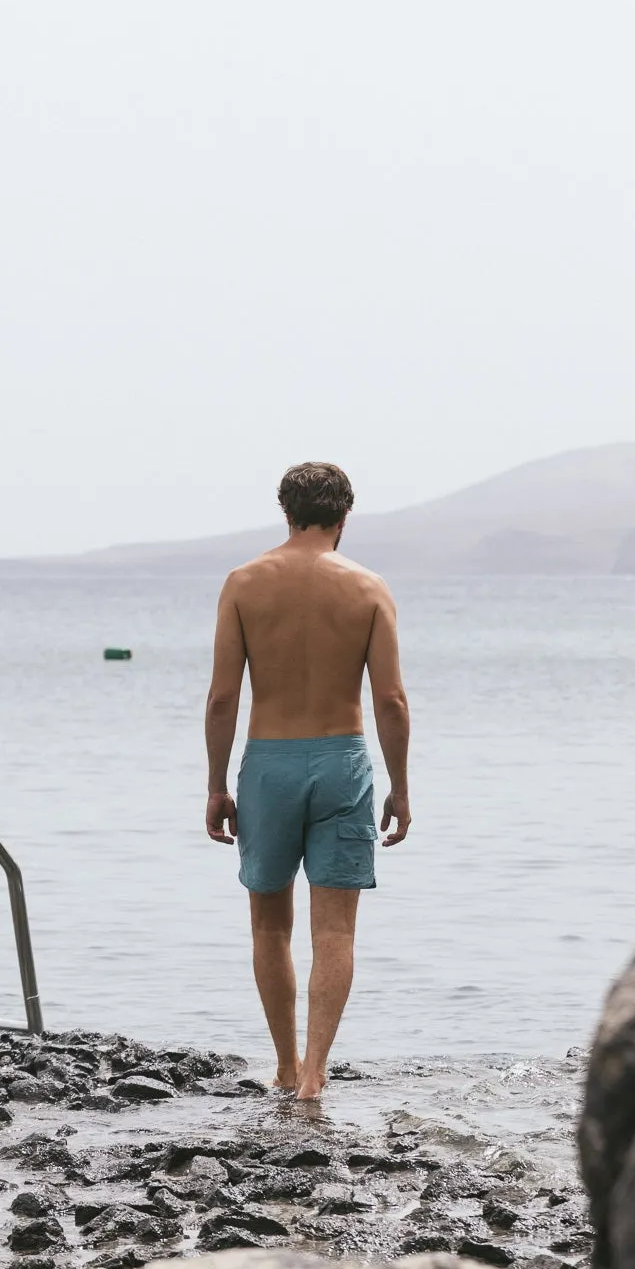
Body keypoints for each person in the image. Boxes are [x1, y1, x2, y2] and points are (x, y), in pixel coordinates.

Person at [204, 462, 411, 1101]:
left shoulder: (243, 583)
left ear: (286, 512)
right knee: (336, 929)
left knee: (270, 925)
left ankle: (285, 1065)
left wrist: (216, 785)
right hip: (342, 760)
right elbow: (392, 701)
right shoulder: (369, 588)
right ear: (344, 518)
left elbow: (221, 699)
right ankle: (316, 1075)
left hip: (269, 762)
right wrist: (400, 786)